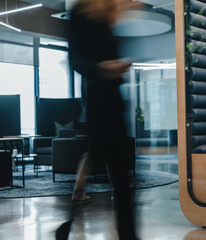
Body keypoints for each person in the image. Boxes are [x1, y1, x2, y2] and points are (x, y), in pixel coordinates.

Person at [56, 0, 141, 239]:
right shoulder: (80, 16)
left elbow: (114, 50)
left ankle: (127, 234)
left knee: (120, 176)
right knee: (100, 159)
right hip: (97, 104)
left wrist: (121, 12)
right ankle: (70, 224)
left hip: (115, 102)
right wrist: (103, 68)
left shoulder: (106, 19)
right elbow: (77, 62)